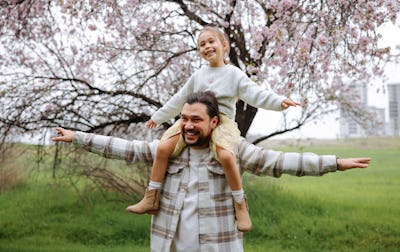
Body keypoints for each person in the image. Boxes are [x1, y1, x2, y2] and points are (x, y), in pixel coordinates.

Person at [52, 91, 371, 252]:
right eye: (184, 119)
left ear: (214, 122)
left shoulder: (230, 151)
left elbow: (279, 162)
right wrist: (78, 137)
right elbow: (126, 148)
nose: (188, 126)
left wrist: (335, 163)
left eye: (196, 120)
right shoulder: (172, 150)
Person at [130, 25, 300, 232]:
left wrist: (279, 101)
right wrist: (158, 117)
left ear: (224, 45)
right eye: (202, 44)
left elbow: (256, 94)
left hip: (222, 122)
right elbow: (180, 99)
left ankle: (240, 204)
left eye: (211, 42)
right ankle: (151, 196)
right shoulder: (198, 75)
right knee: (164, 148)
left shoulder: (233, 74)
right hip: (197, 120)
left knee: (227, 157)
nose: (207, 46)